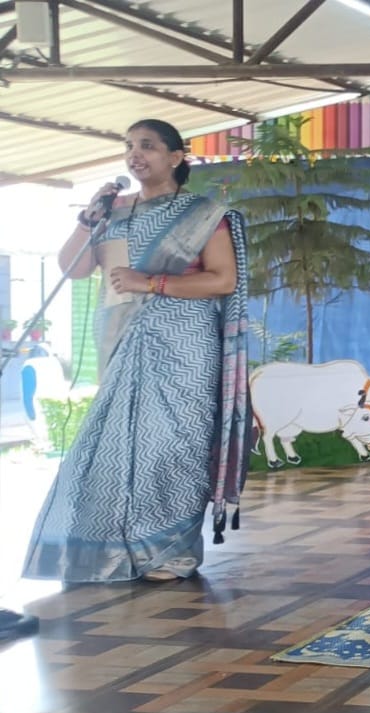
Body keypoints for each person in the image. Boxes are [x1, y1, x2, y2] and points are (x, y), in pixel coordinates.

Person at [24, 119, 250, 583]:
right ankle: (116, 550)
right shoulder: (113, 213)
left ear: (176, 157)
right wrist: (88, 219)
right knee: (118, 447)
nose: (135, 154)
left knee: (174, 446)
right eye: (129, 146)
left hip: (185, 345)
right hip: (123, 339)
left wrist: (151, 283)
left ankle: (171, 552)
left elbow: (223, 279)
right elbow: (74, 268)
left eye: (147, 146)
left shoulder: (202, 213)